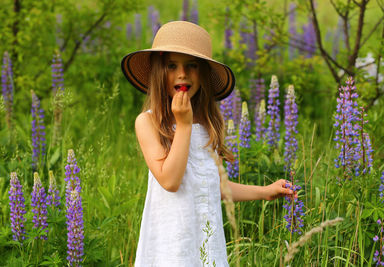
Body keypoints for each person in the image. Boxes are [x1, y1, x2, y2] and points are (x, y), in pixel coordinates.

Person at [121, 21, 295, 267]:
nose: (182, 74)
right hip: (170, 248)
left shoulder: (208, 125)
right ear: (159, 71)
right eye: (172, 65)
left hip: (206, 245)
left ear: (203, 74)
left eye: (192, 66)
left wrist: (264, 192)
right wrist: (183, 125)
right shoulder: (148, 122)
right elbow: (170, 181)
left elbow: (210, 186)